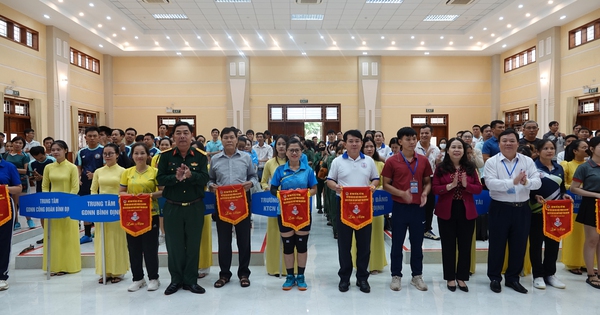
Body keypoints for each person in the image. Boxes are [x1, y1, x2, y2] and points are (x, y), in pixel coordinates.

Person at [484, 129, 541, 294]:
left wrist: (526, 182)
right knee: (497, 244)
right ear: (499, 143)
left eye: (511, 140)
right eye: (504, 141)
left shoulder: (527, 161)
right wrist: (512, 182)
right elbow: (491, 184)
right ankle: (495, 278)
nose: (508, 143)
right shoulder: (492, 162)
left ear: (518, 143)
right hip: (500, 208)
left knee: (519, 244)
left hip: (522, 208)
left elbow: (537, 182)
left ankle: (513, 278)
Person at [156, 121, 209, 295]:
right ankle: (176, 280)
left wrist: (191, 175)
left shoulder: (200, 156)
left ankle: (190, 281)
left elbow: (204, 178)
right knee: (174, 245)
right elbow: (161, 179)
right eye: (178, 133)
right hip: (173, 207)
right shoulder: (165, 156)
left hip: (194, 207)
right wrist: (176, 178)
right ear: (173, 137)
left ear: (191, 135)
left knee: (193, 245)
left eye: (186, 133)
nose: (182, 136)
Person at [327, 130, 379, 294]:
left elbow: (375, 178)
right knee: (344, 244)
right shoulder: (337, 161)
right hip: (344, 205)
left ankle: (362, 278)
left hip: (364, 205)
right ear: (345, 143)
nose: (354, 144)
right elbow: (330, 180)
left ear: (361, 143)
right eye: (351, 141)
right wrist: (335, 187)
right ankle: (344, 277)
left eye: (357, 141)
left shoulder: (369, 161)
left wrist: (373, 185)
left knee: (364, 244)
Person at [382, 127, 432, 292]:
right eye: (408, 139)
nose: (412, 142)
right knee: (397, 243)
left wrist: (424, 193)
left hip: (418, 208)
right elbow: (386, 185)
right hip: (400, 207)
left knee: (417, 244)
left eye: (413, 138)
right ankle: (396, 276)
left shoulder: (423, 160)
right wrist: (401, 193)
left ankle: (417, 276)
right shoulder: (391, 161)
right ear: (400, 141)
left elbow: (427, 182)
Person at [208, 126, 258, 289]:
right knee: (224, 241)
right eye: (226, 138)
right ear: (221, 140)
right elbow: (210, 179)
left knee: (244, 240)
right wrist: (211, 186)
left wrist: (250, 183)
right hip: (222, 205)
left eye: (231, 137)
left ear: (237, 139)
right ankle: (224, 274)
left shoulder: (246, 158)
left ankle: (244, 273)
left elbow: (253, 176)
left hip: (242, 204)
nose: (229, 140)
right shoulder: (215, 160)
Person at [432, 137, 482, 292]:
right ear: (447, 150)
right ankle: (450, 278)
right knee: (448, 246)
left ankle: (462, 277)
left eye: (459, 147)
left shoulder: (470, 168)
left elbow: (479, 188)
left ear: (464, 150)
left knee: (465, 246)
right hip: (447, 210)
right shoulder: (441, 168)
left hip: (466, 210)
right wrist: (449, 186)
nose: (456, 150)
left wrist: (467, 186)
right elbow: (435, 188)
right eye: (453, 147)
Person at [270, 138, 318, 290]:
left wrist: (303, 194)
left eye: (297, 150)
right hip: (284, 213)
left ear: (301, 152)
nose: (294, 153)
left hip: (303, 213)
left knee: (302, 246)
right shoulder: (280, 171)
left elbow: (315, 189)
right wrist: (284, 195)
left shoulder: (308, 171)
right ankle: (290, 276)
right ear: (286, 152)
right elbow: (273, 189)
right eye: (291, 150)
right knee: (288, 246)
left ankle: (301, 276)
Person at [120, 143, 163, 292]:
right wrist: (131, 196)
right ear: (132, 156)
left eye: (142, 153)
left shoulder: (155, 172)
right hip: (131, 216)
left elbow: (163, 191)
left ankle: (153, 278)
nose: (139, 156)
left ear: (148, 155)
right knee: (134, 248)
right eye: (136, 153)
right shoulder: (127, 172)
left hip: (151, 214)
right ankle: (138, 278)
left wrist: (149, 195)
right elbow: (121, 192)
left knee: (150, 247)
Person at [528, 139, 569, 290]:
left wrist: (564, 195)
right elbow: (528, 188)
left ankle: (550, 274)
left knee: (553, 244)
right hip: (537, 211)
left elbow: (562, 187)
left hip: (555, 213)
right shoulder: (532, 167)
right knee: (536, 244)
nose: (549, 151)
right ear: (538, 151)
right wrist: (534, 198)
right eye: (545, 148)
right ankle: (538, 275)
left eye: (551, 148)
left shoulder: (559, 168)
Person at [42, 140, 81, 276]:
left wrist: (65, 203)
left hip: (68, 205)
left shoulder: (72, 167)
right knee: (53, 235)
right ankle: (54, 266)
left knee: (67, 235)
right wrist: (49, 201)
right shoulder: (48, 167)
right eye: (53, 150)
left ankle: (68, 265)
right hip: (52, 206)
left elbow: (75, 187)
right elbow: (45, 186)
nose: (55, 152)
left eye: (58, 149)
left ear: (65, 150)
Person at [90, 143, 128, 284]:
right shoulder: (98, 171)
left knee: (117, 240)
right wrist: (96, 203)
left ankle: (118, 271)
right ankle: (104, 271)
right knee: (102, 240)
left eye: (110, 153)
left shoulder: (123, 171)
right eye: (105, 154)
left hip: (117, 211)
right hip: (101, 211)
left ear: (117, 155)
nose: (107, 156)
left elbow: (125, 190)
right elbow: (93, 190)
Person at [569, 137, 600, 289]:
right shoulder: (585, 167)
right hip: (591, 204)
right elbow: (574, 188)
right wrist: (595, 195)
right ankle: (590, 274)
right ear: (592, 149)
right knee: (592, 239)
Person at [355, 137, 387, 274]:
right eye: (366, 146)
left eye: (371, 146)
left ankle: (375, 264)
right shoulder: (356, 163)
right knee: (358, 233)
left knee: (375, 233)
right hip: (358, 204)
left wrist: (375, 189)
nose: (369, 149)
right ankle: (358, 263)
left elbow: (384, 184)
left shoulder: (381, 164)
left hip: (376, 204)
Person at [261, 135, 289, 277]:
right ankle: (273, 268)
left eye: (284, 144)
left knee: (291, 237)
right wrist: (267, 188)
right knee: (273, 235)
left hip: (292, 205)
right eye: (279, 144)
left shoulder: (295, 162)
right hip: (275, 204)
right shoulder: (270, 163)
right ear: (275, 146)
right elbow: (263, 181)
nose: (281, 147)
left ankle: (288, 269)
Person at [560, 139, 589, 275]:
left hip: (589, 203)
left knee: (588, 234)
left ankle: (586, 262)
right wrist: (577, 188)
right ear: (575, 151)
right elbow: (563, 184)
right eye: (584, 147)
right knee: (574, 234)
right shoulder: (567, 165)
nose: (587, 149)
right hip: (573, 203)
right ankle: (573, 262)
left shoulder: (592, 165)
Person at [0, 152, 27, 290]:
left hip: (4, 208)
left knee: (3, 241)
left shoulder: (8, 167)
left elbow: (18, 188)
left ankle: (2, 276)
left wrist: (3, 188)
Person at [76, 126, 104, 244]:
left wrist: (96, 175)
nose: (92, 138)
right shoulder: (81, 152)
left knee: (99, 208)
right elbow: (78, 167)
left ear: (98, 137)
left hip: (100, 184)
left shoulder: (103, 150)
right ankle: (87, 234)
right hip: (85, 184)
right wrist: (78, 178)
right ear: (85, 137)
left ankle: (99, 232)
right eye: (90, 136)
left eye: (94, 136)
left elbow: (106, 167)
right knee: (86, 208)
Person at [415, 125, 441, 241]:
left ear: (431, 134)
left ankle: (427, 229)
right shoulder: (414, 148)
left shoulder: (436, 149)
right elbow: (415, 164)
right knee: (417, 204)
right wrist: (425, 156)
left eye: (426, 133)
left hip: (431, 179)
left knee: (430, 205)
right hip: (417, 179)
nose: (424, 135)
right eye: (422, 133)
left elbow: (438, 167)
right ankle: (417, 228)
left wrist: (438, 162)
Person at [5, 136, 31, 230]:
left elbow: (26, 170)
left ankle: (29, 220)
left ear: (23, 145)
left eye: (20, 143)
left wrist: (13, 170)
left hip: (21, 179)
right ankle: (16, 222)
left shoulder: (24, 156)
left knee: (22, 201)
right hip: (9, 181)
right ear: (12, 143)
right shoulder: (6, 155)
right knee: (13, 202)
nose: (18, 145)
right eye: (16, 142)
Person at [313, 141, 328, 214]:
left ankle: (326, 207)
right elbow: (315, 163)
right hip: (318, 175)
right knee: (318, 191)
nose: (321, 146)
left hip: (326, 176)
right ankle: (319, 207)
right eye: (320, 145)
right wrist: (321, 157)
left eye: (323, 145)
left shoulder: (328, 154)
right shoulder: (316, 155)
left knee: (325, 193)